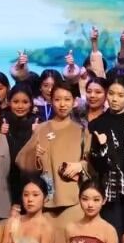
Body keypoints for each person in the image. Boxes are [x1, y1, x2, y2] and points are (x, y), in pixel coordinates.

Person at [16, 81, 89, 231]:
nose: (62, 104)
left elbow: (92, 163)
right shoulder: (41, 129)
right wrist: (34, 156)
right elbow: (21, 161)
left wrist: (81, 166)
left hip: (73, 201)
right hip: (46, 202)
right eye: (57, 99)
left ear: (74, 102)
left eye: (67, 99)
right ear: (51, 101)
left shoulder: (81, 131)